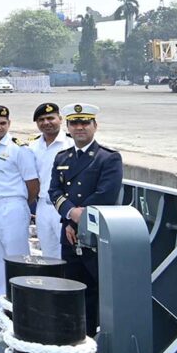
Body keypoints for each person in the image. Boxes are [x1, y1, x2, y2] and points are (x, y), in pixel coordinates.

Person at [48, 103, 123, 335]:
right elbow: (54, 191)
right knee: (71, 286)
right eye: (74, 123)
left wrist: (75, 220)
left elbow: (105, 194)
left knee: (95, 289)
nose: (79, 127)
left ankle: (94, 338)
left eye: (85, 123)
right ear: (68, 127)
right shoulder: (62, 157)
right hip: (69, 235)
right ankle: (72, 337)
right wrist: (70, 214)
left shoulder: (108, 158)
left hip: (96, 235)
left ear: (95, 126)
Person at [0, 105, 39, 325]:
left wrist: (20, 206)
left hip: (11, 207)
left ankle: (21, 310)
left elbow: (33, 185)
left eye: (3, 123)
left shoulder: (19, 149)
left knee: (17, 259)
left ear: (9, 124)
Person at [28, 103, 73, 260]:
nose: (46, 123)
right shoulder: (32, 146)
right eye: (41, 120)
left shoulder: (71, 144)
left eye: (50, 118)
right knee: (49, 255)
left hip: (64, 207)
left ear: (60, 119)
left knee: (68, 255)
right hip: (42, 206)